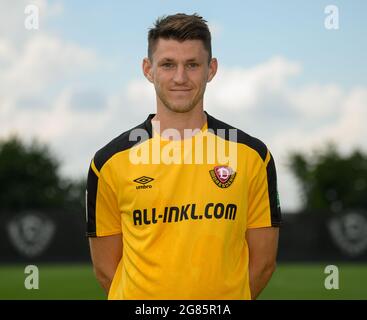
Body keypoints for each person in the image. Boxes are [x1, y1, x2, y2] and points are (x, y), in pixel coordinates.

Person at [86, 13, 282, 300]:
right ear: (148, 69)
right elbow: (106, 270)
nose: (180, 78)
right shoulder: (110, 161)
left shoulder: (252, 155)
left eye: (192, 65)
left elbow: (263, 264)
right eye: (167, 65)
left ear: (211, 69)